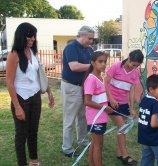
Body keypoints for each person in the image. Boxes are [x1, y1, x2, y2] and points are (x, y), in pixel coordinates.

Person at [6, 22, 54, 166]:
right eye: (29, 35)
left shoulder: (33, 53)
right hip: (21, 99)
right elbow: (9, 82)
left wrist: (49, 93)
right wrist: (17, 106)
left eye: (34, 35)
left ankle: (34, 161)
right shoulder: (14, 55)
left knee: (33, 131)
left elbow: (40, 75)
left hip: (35, 97)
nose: (32, 38)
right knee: (21, 135)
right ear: (22, 35)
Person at [104, 49, 144, 165]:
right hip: (111, 102)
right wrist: (111, 99)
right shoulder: (116, 66)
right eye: (133, 64)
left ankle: (119, 153)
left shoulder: (135, 72)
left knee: (121, 130)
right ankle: (125, 156)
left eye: (136, 66)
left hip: (123, 104)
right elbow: (105, 82)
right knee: (122, 128)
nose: (133, 67)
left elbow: (131, 90)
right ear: (129, 59)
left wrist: (131, 108)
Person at [61, 26, 94, 157]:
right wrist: (93, 65)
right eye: (89, 38)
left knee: (83, 117)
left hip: (84, 87)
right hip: (71, 87)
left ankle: (83, 140)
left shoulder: (89, 49)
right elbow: (74, 67)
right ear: (81, 35)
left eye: (92, 38)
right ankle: (67, 148)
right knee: (69, 118)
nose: (91, 41)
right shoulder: (71, 47)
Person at [83, 51, 113, 166]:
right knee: (98, 145)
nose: (103, 64)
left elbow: (100, 98)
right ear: (93, 63)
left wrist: (106, 107)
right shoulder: (91, 79)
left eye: (105, 62)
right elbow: (87, 101)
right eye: (100, 62)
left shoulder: (100, 77)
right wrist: (105, 108)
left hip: (101, 116)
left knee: (95, 143)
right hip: (95, 118)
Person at [138, 74, 158, 166]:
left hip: (144, 137)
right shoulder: (156, 104)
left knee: (146, 160)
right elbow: (153, 124)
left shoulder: (144, 100)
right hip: (157, 139)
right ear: (151, 90)